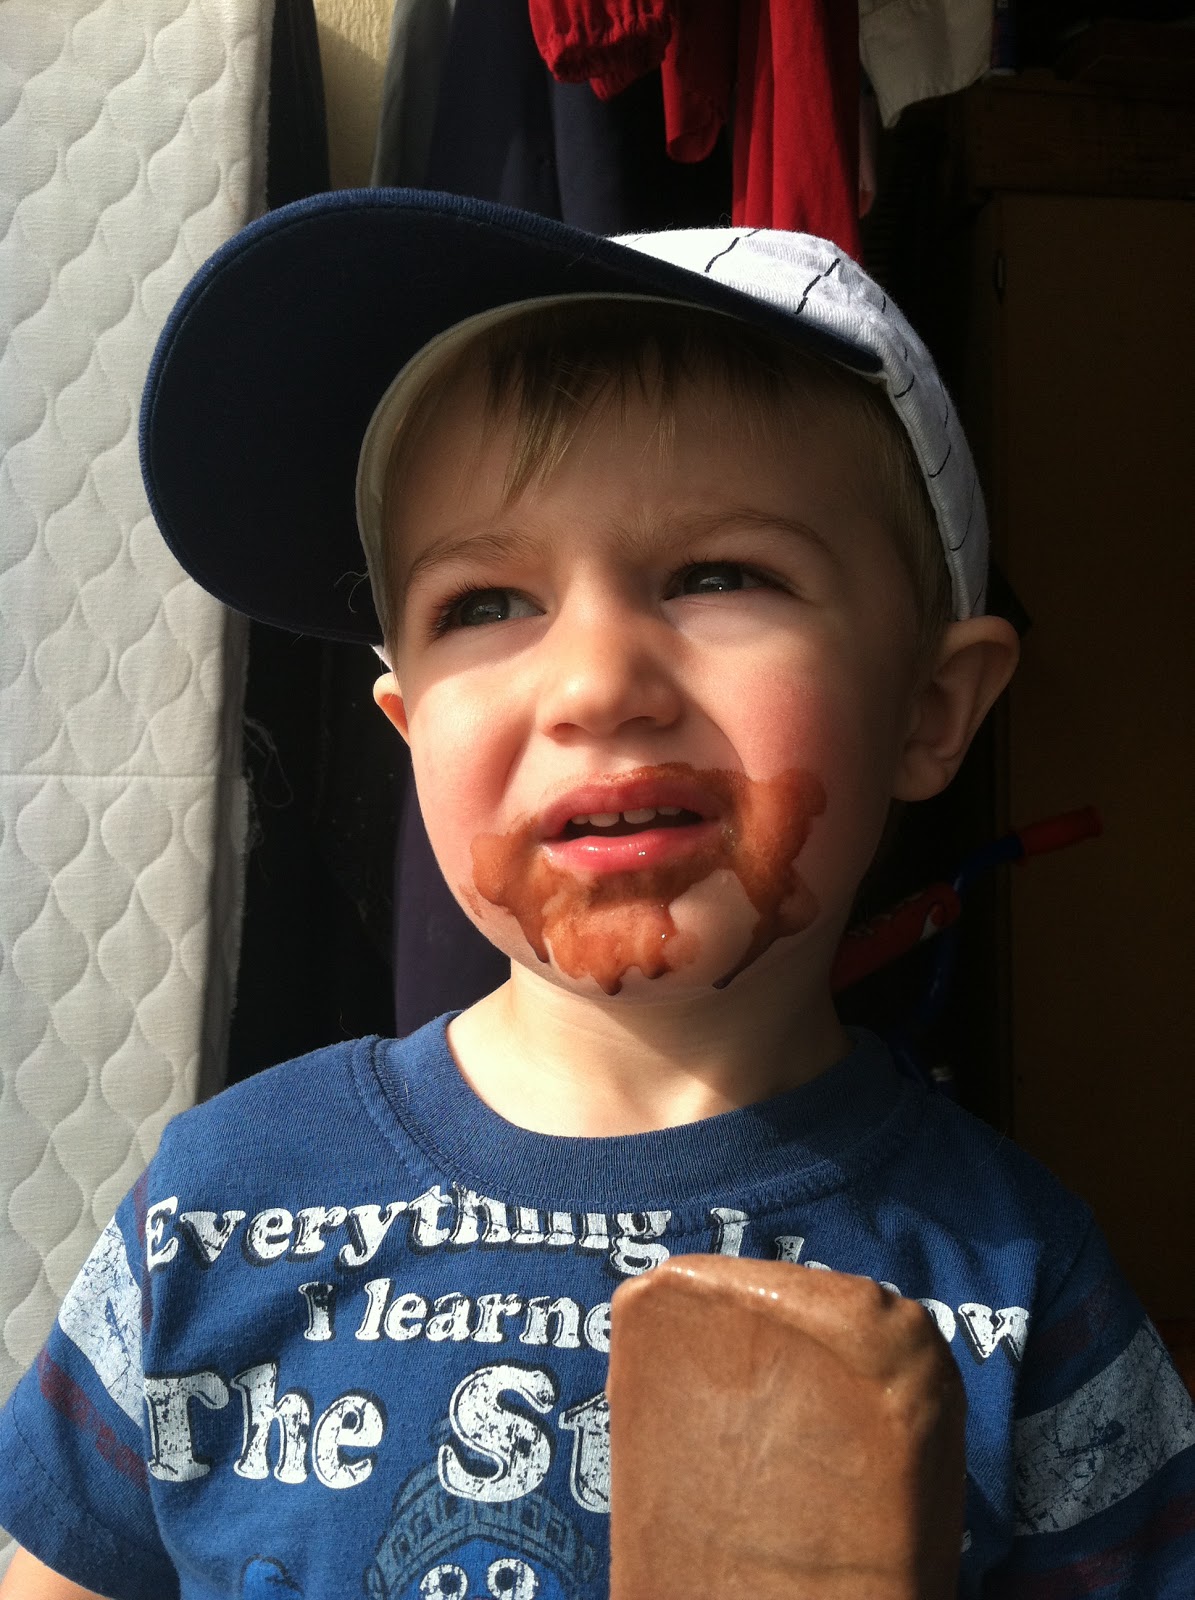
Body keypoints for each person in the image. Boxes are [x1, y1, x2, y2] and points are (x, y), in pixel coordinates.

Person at [0, 191, 1192, 1600]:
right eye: (484, 604)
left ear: (931, 708)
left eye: (718, 574)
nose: (594, 681)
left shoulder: (1016, 1280)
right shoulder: (216, 1210)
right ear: (408, 731)